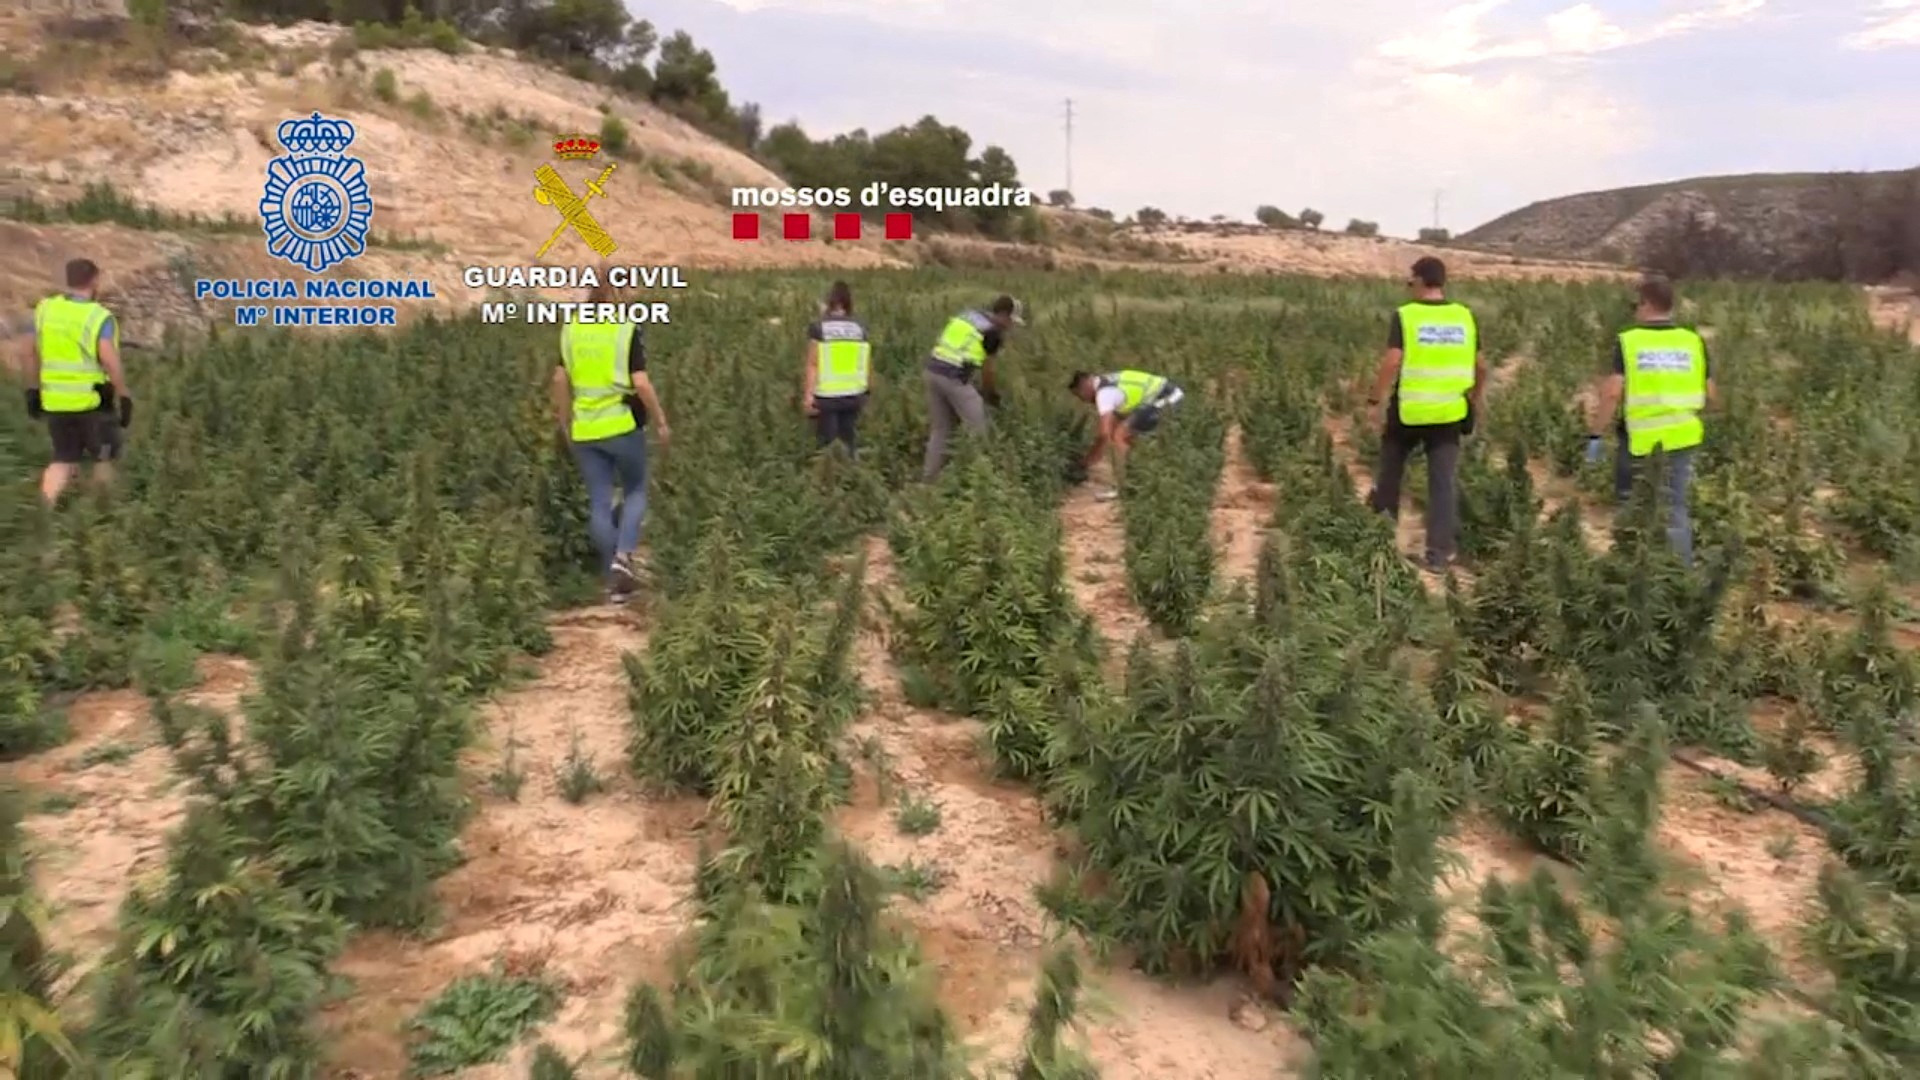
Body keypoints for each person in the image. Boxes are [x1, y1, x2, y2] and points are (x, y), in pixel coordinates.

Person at [551, 273, 671, 604]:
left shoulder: (572, 329)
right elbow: (642, 384)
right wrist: (661, 422)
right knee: (635, 490)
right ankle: (624, 557)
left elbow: (560, 379)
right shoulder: (626, 328)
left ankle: (612, 584)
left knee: (599, 502)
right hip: (622, 423)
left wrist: (564, 420)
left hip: (586, 429)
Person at [1363, 255, 1486, 572]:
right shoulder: (1464, 316)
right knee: (1442, 484)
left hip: (1409, 412)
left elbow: (1392, 361)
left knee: (1390, 474)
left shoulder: (1406, 315)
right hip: (1449, 413)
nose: (1409, 288)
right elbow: (1481, 365)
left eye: (1410, 282)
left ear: (1419, 281)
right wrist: (1474, 398)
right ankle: (1438, 556)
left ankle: (1381, 545)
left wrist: (1374, 400)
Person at [1584, 274, 1716, 565]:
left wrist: (1595, 435)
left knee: (1631, 506)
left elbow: (1611, 394)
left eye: (1636, 303)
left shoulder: (1629, 341)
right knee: (1676, 508)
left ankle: (1634, 571)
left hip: (1640, 440)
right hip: (1683, 437)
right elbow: (1710, 392)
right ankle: (1680, 577)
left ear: (1646, 304)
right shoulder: (1693, 341)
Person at [25, 258, 131, 506]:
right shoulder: (98, 317)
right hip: (93, 402)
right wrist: (123, 395)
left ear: (68, 280)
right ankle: (99, 516)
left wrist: (32, 390)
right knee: (103, 457)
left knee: (61, 459)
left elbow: (28, 352)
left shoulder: (45, 310)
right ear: (95, 280)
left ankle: (42, 515)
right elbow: (109, 360)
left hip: (55, 401)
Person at [921, 294, 1022, 480]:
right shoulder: (992, 332)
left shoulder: (968, 315)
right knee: (978, 428)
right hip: (953, 378)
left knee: (941, 429)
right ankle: (979, 479)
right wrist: (990, 394)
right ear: (1004, 315)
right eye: (1011, 321)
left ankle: (929, 480)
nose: (1011, 326)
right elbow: (988, 370)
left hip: (932, 372)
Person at [1067, 368, 1185, 500]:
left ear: (1084, 388)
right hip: (1170, 394)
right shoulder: (1108, 381)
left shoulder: (1104, 394)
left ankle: (1124, 487)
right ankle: (1137, 479)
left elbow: (1104, 435)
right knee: (1124, 434)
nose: (1084, 401)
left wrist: (1085, 463)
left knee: (1119, 436)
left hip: (1167, 399)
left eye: (1080, 396)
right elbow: (1112, 426)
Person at [802, 281, 870, 454]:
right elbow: (867, 363)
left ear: (829, 301)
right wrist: (868, 392)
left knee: (828, 450)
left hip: (827, 396)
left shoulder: (819, 328)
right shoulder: (860, 328)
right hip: (854, 395)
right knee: (848, 442)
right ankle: (851, 477)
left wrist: (808, 396)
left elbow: (813, 363)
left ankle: (831, 479)